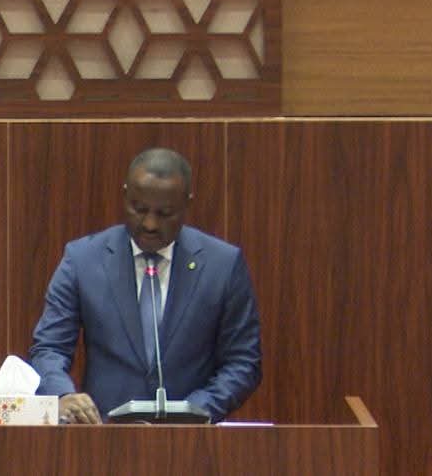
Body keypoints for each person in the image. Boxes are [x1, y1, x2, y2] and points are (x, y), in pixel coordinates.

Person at [28, 147, 262, 423]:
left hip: (192, 439)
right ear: (125, 195)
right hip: (104, 434)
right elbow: (49, 348)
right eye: (139, 209)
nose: (150, 224)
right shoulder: (83, 260)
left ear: (187, 204)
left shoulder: (222, 264)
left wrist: (195, 410)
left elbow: (243, 362)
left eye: (165, 213)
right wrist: (63, 394)